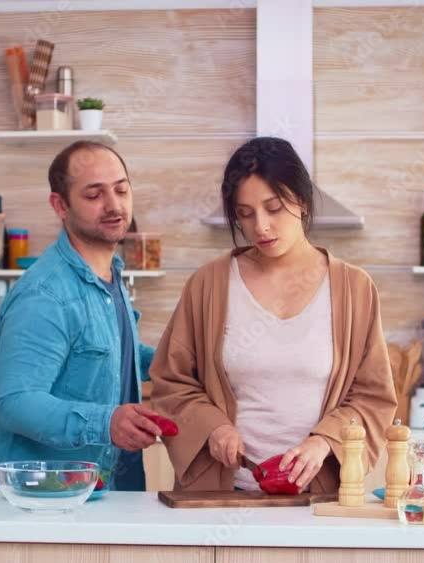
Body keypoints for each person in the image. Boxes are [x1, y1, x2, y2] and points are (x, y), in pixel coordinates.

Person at [150, 137, 397, 493]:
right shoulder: (208, 284)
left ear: (303, 201)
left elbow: (373, 396)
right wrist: (213, 426)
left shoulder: (354, 289)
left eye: (274, 207)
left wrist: (325, 441)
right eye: (245, 214)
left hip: (318, 494)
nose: (261, 226)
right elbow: (170, 382)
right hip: (223, 491)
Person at [0, 141, 164, 491]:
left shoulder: (109, 276)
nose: (113, 205)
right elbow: (16, 402)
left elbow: (117, 355)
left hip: (101, 491)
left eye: (121, 190)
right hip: (43, 498)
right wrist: (107, 422)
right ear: (60, 205)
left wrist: (181, 363)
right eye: (94, 195)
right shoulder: (45, 295)